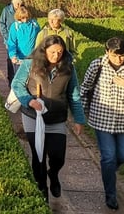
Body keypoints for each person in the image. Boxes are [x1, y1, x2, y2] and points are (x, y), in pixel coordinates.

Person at [11, 35, 85, 202]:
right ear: (44, 50)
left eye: (60, 52)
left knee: (58, 156)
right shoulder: (30, 64)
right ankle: (42, 186)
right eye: (52, 52)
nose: (56, 55)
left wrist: (79, 120)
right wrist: (28, 100)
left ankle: (54, 173)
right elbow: (17, 84)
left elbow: (74, 94)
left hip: (57, 118)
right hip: (33, 117)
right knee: (38, 155)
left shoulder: (68, 68)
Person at [80, 37, 124, 211]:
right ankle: (110, 195)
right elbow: (85, 88)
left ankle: (108, 170)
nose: (119, 59)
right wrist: (82, 115)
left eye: (122, 55)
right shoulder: (97, 65)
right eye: (115, 55)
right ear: (107, 52)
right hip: (102, 120)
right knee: (109, 156)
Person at [6, 5, 40, 83]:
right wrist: (13, 56)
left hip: (32, 58)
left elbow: (40, 38)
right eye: (23, 18)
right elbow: (12, 42)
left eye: (26, 17)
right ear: (18, 17)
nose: (25, 20)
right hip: (19, 59)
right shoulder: (15, 27)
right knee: (20, 80)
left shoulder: (34, 24)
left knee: (32, 80)